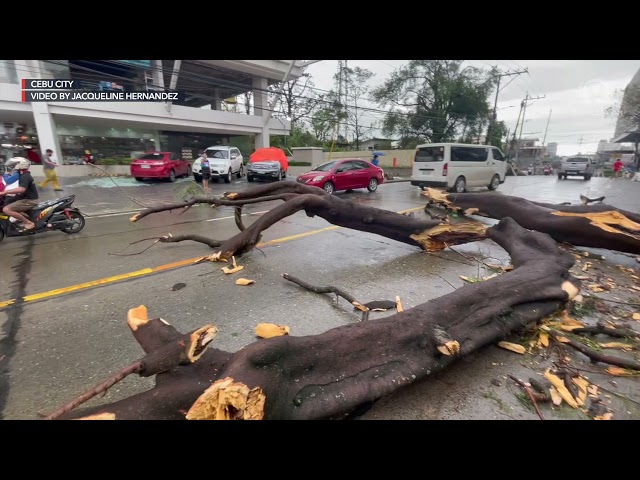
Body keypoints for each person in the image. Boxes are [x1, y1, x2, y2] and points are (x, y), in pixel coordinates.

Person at [0, 158, 38, 230]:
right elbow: (8, 181)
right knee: (6, 202)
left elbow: (21, 189)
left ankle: (28, 222)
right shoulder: (21, 174)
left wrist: (4, 192)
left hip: (29, 200)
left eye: (14, 165)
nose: (12, 167)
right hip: (23, 198)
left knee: (6, 209)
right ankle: (19, 218)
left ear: (20, 165)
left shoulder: (25, 176)